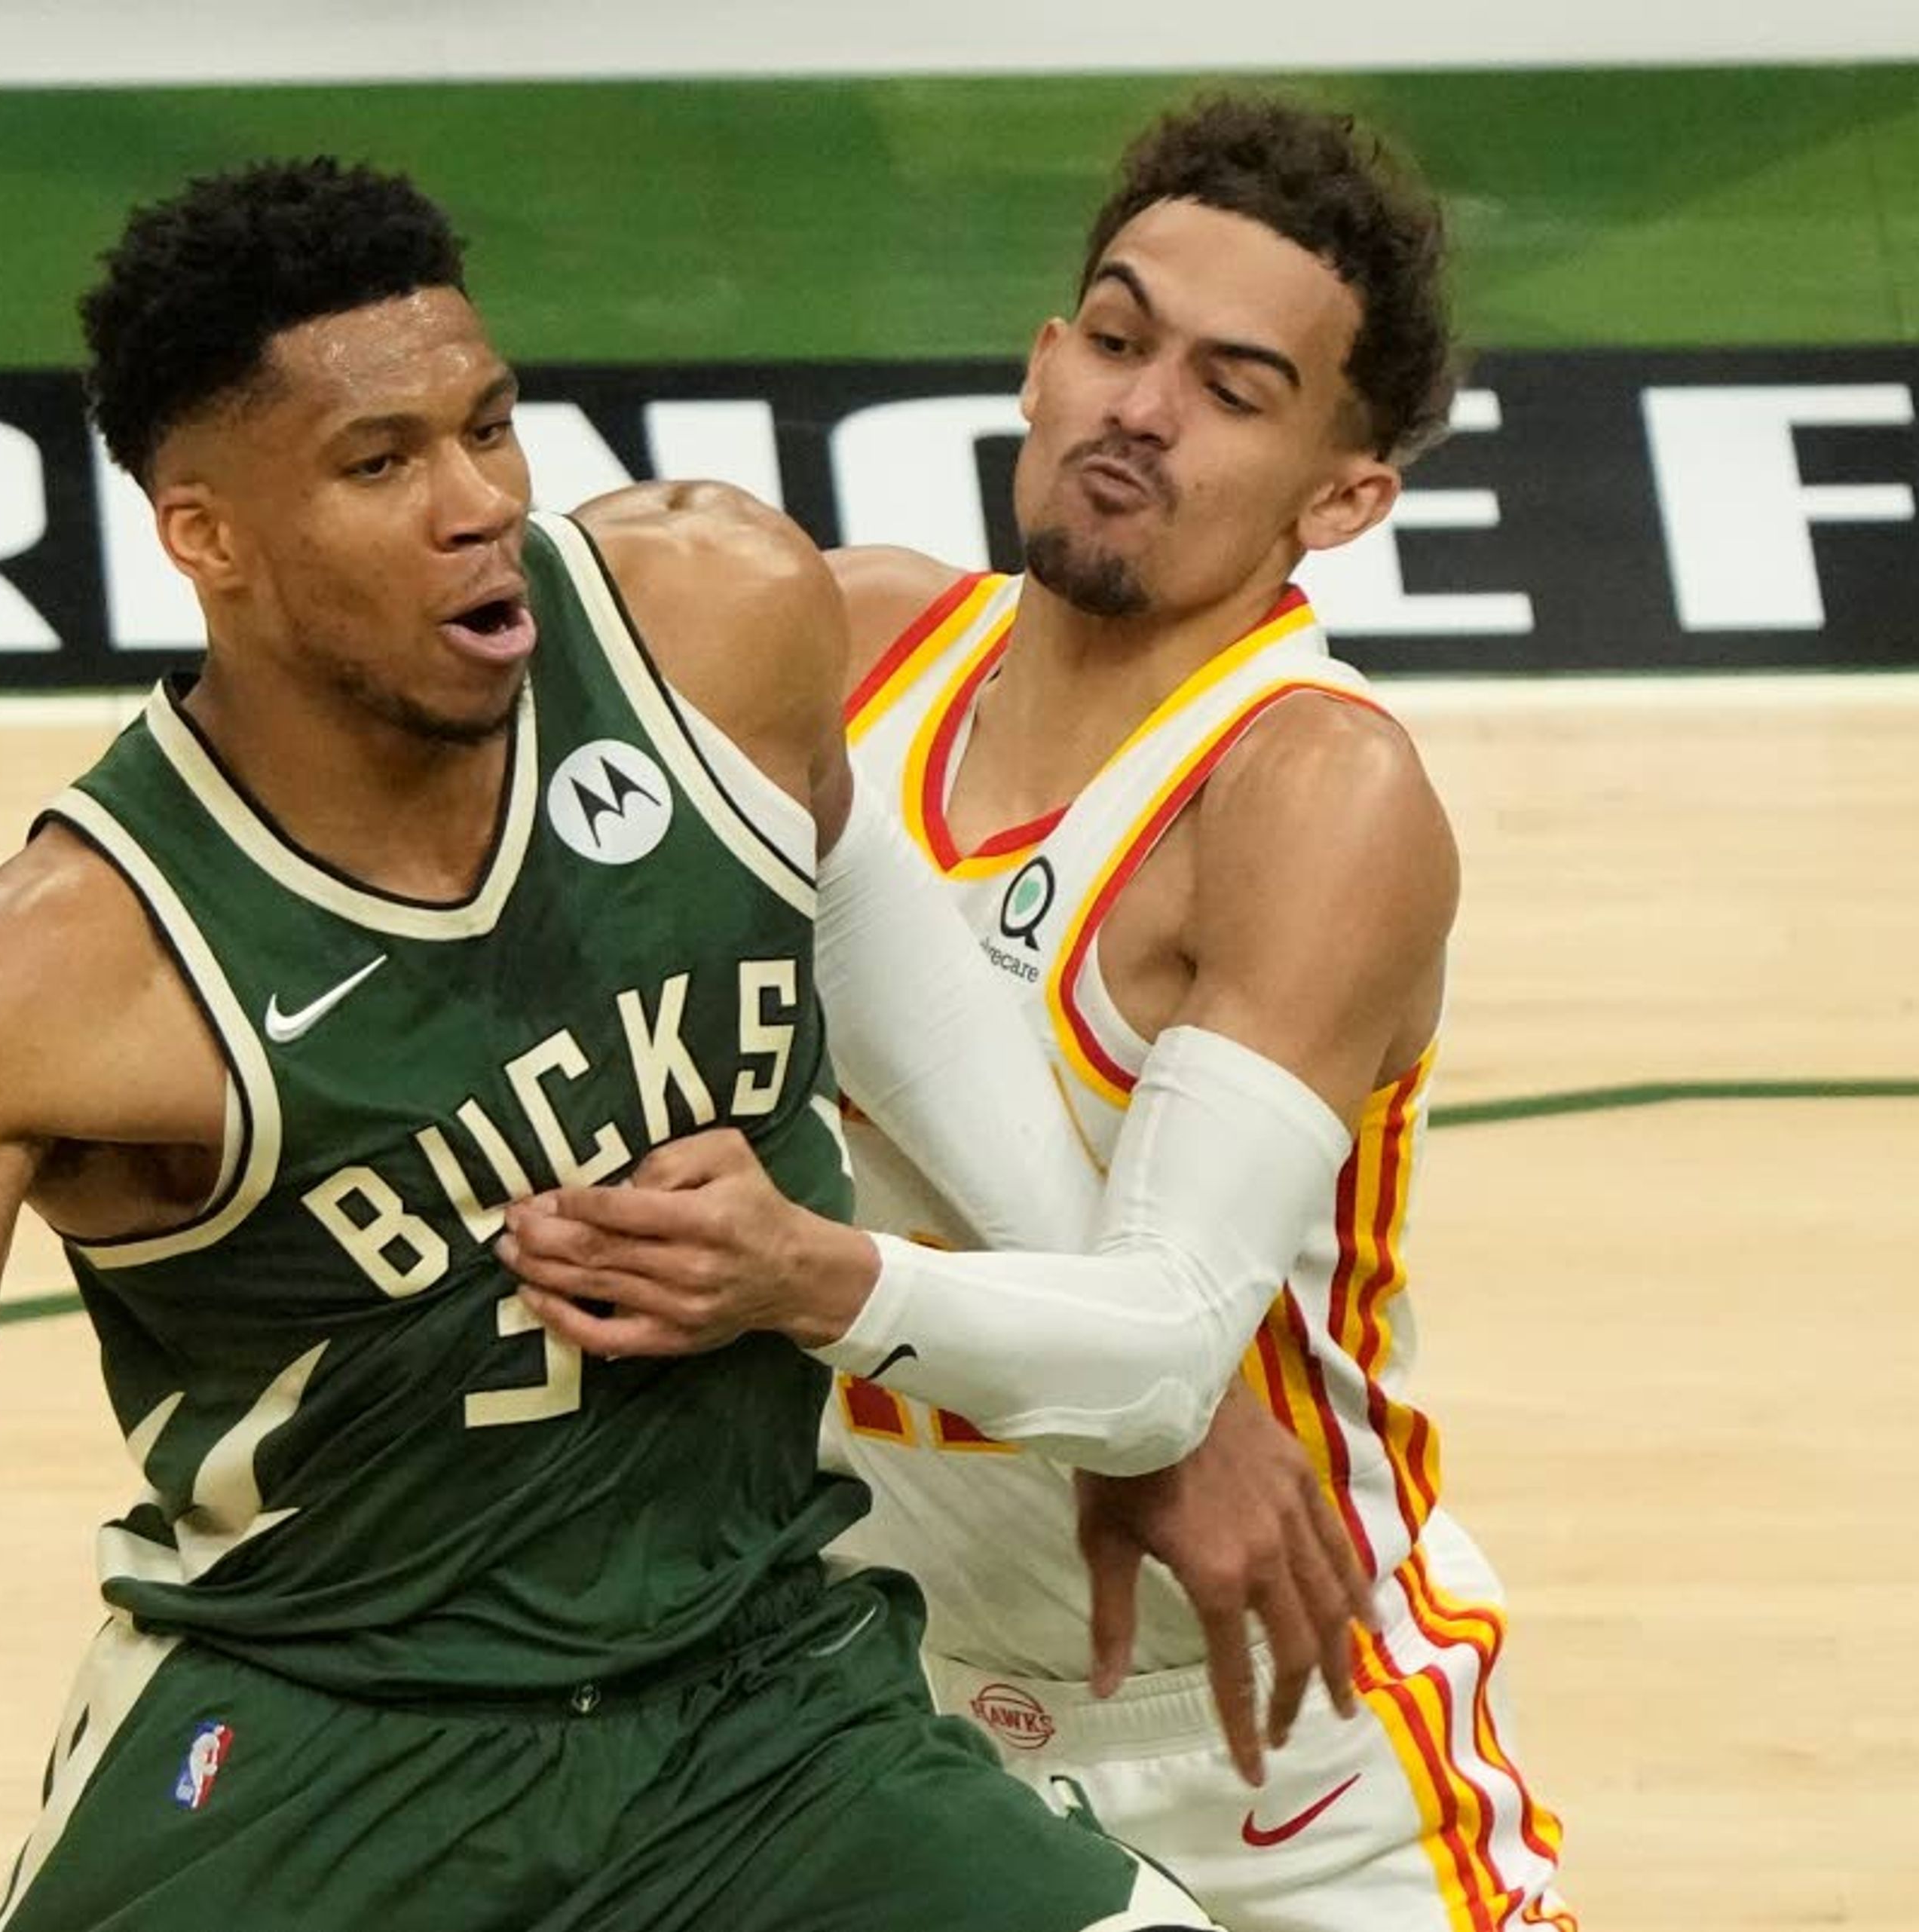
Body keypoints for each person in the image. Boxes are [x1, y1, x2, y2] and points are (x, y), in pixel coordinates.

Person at [0, 158, 1222, 1931]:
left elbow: (927, 1064)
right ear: (207, 535)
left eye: (491, 426)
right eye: (380, 465)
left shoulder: (719, 622)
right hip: (326, 1766)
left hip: (766, 1707)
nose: (477, 509)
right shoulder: (43, 981)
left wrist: (1136, 1366)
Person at [499, 99, 1575, 1930]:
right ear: (1042, 355)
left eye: (1234, 389)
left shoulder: (1309, 793)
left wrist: (800, 1277)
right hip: (857, 1705)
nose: (1139, 408)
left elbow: (1158, 1339)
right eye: (1117, 332)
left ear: (1343, 495)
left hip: (1263, 1739)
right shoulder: (840, 647)